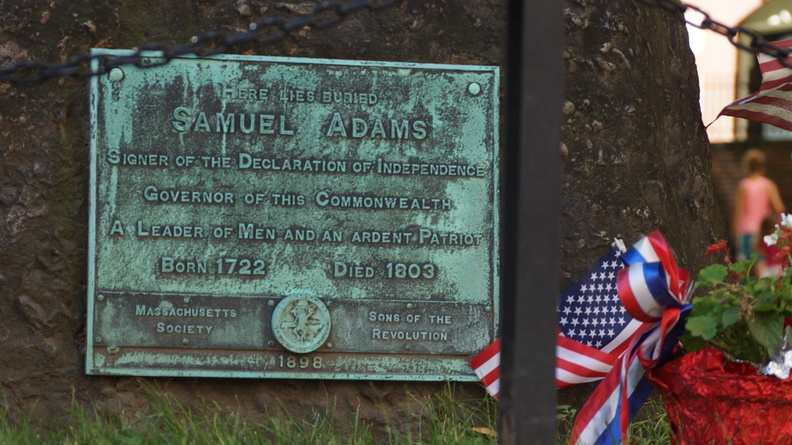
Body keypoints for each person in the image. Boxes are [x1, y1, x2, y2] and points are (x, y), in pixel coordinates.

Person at [732, 148, 785, 262]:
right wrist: (778, 226)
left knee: (743, 264)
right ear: (762, 166)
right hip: (763, 230)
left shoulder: (743, 185)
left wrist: (735, 231)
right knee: (761, 263)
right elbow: (779, 207)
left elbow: (739, 211)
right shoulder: (768, 185)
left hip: (745, 229)